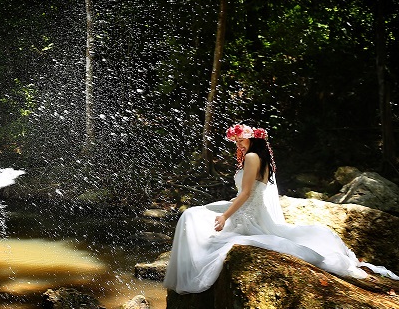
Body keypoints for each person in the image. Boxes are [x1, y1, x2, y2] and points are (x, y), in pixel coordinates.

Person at [163, 123, 399, 294]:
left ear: (253, 139)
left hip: (246, 214)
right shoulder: (260, 158)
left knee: (191, 216)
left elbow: (245, 193)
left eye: (241, 140)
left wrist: (225, 216)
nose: (238, 144)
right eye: (236, 141)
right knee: (193, 214)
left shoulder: (252, 157)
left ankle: (188, 273)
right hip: (249, 209)